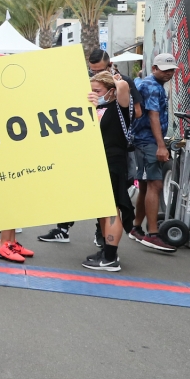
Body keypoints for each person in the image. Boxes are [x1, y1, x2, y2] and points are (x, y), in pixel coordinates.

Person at [39, 48, 143, 245]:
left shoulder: (119, 94)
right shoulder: (92, 92)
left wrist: (116, 83)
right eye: (92, 71)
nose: (95, 75)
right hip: (89, 156)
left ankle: (107, 247)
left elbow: (133, 109)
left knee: (110, 205)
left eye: (99, 71)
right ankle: (72, 231)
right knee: (88, 197)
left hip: (111, 158)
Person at [82, 72, 137, 272]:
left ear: (111, 91)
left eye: (98, 90)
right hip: (99, 162)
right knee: (103, 208)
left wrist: (115, 79)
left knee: (112, 208)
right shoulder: (100, 107)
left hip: (114, 162)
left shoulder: (120, 106)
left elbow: (124, 88)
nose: (94, 94)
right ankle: (106, 251)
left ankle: (111, 257)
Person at [124, 53, 178, 252]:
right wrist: (161, 146)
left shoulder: (147, 83)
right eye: (165, 70)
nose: (169, 73)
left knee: (146, 185)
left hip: (143, 140)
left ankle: (137, 227)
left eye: (172, 70)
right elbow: (153, 116)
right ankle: (152, 234)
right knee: (154, 184)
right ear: (154, 68)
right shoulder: (153, 87)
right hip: (148, 141)